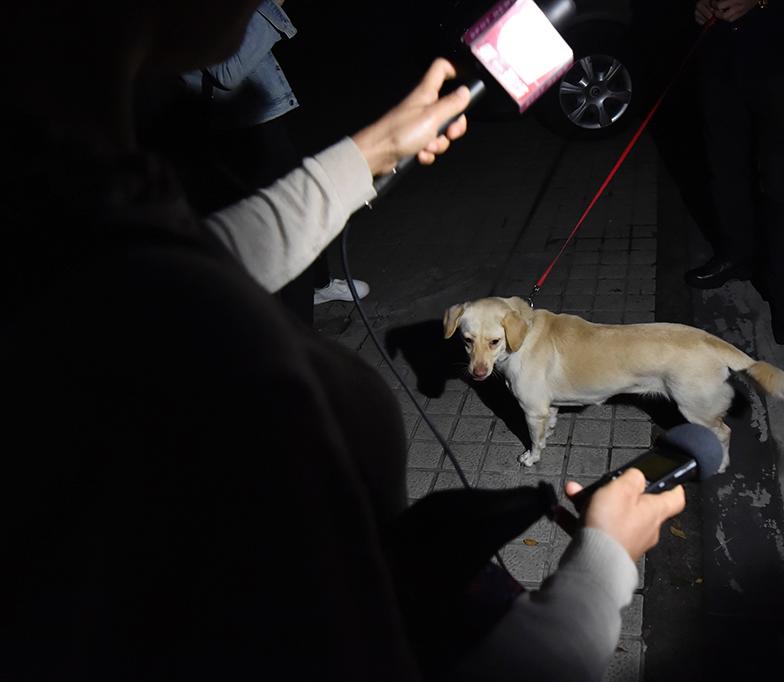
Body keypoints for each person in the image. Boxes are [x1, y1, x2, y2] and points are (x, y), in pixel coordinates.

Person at [1, 4, 685, 682]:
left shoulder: (82, 208)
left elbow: (207, 252)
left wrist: (368, 155)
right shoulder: (137, 341)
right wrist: (603, 566)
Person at [147, 0, 369, 325]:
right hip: (241, 129)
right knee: (291, 227)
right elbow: (227, 71)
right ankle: (298, 337)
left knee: (300, 201)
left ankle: (319, 286)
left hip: (260, 117)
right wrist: (271, 5)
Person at [688, 0, 784, 344]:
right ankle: (736, 255)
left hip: (780, 52)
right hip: (718, 55)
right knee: (723, 169)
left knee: (780, 179)